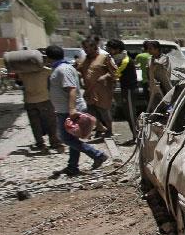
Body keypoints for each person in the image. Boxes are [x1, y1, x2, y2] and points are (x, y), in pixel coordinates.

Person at [47, 45, 108, 177]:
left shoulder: (63, 69)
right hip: (66, 109)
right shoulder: (61, 68)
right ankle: (72, 167)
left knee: (66, 138)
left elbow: (72, 89)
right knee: (72, 139)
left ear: (49, 57)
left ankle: (97, 155)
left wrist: (72, 109)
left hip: (69, 110)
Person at [14, 54, 63, 153]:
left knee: (35, 123)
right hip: (44, 100)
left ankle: (40, 143)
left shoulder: (23, 72)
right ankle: (54, 142)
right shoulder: (45, 71)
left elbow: (18, 81)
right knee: (51, 122)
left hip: (29, 101)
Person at [76, 35, 117, 140]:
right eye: (84, 48)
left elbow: (114, 72)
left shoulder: (104, 57)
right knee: (92, 112)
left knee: (104, 111)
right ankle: (99, 129)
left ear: (94, 47)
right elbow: (79, 70)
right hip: (90, 90)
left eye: (88, 48)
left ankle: (110, 130)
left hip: (102, 90)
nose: (86, 50)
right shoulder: (84, 60)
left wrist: (104, 76)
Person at [107, 39, 138, 140]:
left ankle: (137, 136)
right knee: (127, 112)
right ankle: (135, 135)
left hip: (129, 89)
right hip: (125, 88)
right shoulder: (119, 59)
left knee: (130, 113)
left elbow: (116, 74)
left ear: (117, 49)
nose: (110, 51)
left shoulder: (125, 60)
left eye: (111, 49)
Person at [144, 40, 172, 112]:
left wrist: (154, 64)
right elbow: (148, 71)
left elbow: (161, 65)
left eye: (150, 48)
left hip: (164, 86)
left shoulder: (165, 58)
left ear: (157, 49)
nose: (148, 50)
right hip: (153, 85)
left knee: (167, 106)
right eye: (148, 48)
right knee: (155, 106)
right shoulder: (149, 59)